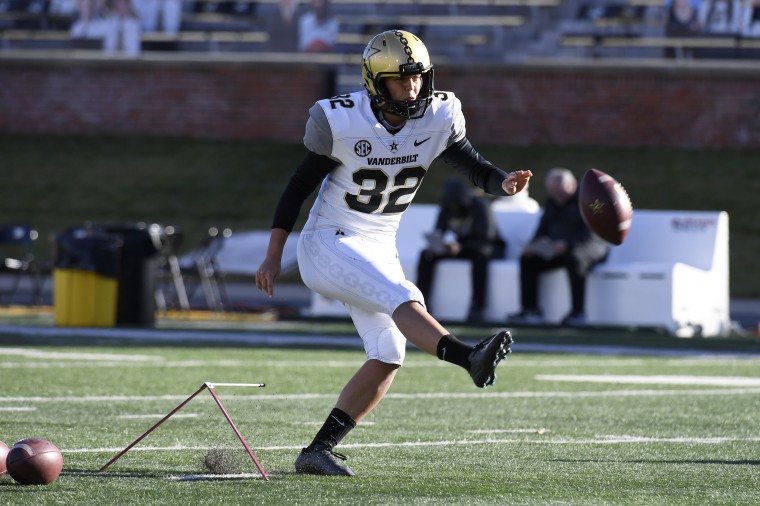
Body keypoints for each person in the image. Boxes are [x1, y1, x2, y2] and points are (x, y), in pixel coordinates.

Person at [255, 29, 532, 477]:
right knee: (402, 296)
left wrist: (500, 182)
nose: (413, 87)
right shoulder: (342, 121)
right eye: (402, 80)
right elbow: (297, 189)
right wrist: (274, 254)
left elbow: (470, 163)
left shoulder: (438, 116)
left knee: (389, 352)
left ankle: (317, 451)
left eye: (419, 77)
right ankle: (469, 358)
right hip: (329, 240)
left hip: (380, 244)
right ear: (375, 82)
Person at [508, 168, 608, 327]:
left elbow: (593, 232)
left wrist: (568, 244)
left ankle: (578, 313)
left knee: (575, 257)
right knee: (528, 259)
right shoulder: (552, 202)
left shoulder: (590, 199)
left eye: (559, 191)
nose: (556, 195)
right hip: (557, 249)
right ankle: (530, 310)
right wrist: (533, 246)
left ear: (571, 185)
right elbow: (543, 228)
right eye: (553, 191)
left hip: (591, 247)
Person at [416, 178, 506, 323]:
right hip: (459, 247)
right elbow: (439, 231)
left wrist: (461, 246)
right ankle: (422, 304)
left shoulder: (481, 206)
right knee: (426, 255)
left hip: (486, 247)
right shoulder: (446, 208)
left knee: (480, 256)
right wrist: (437, 245)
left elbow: (486, 237)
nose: (454, 207)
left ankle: (477, 307)